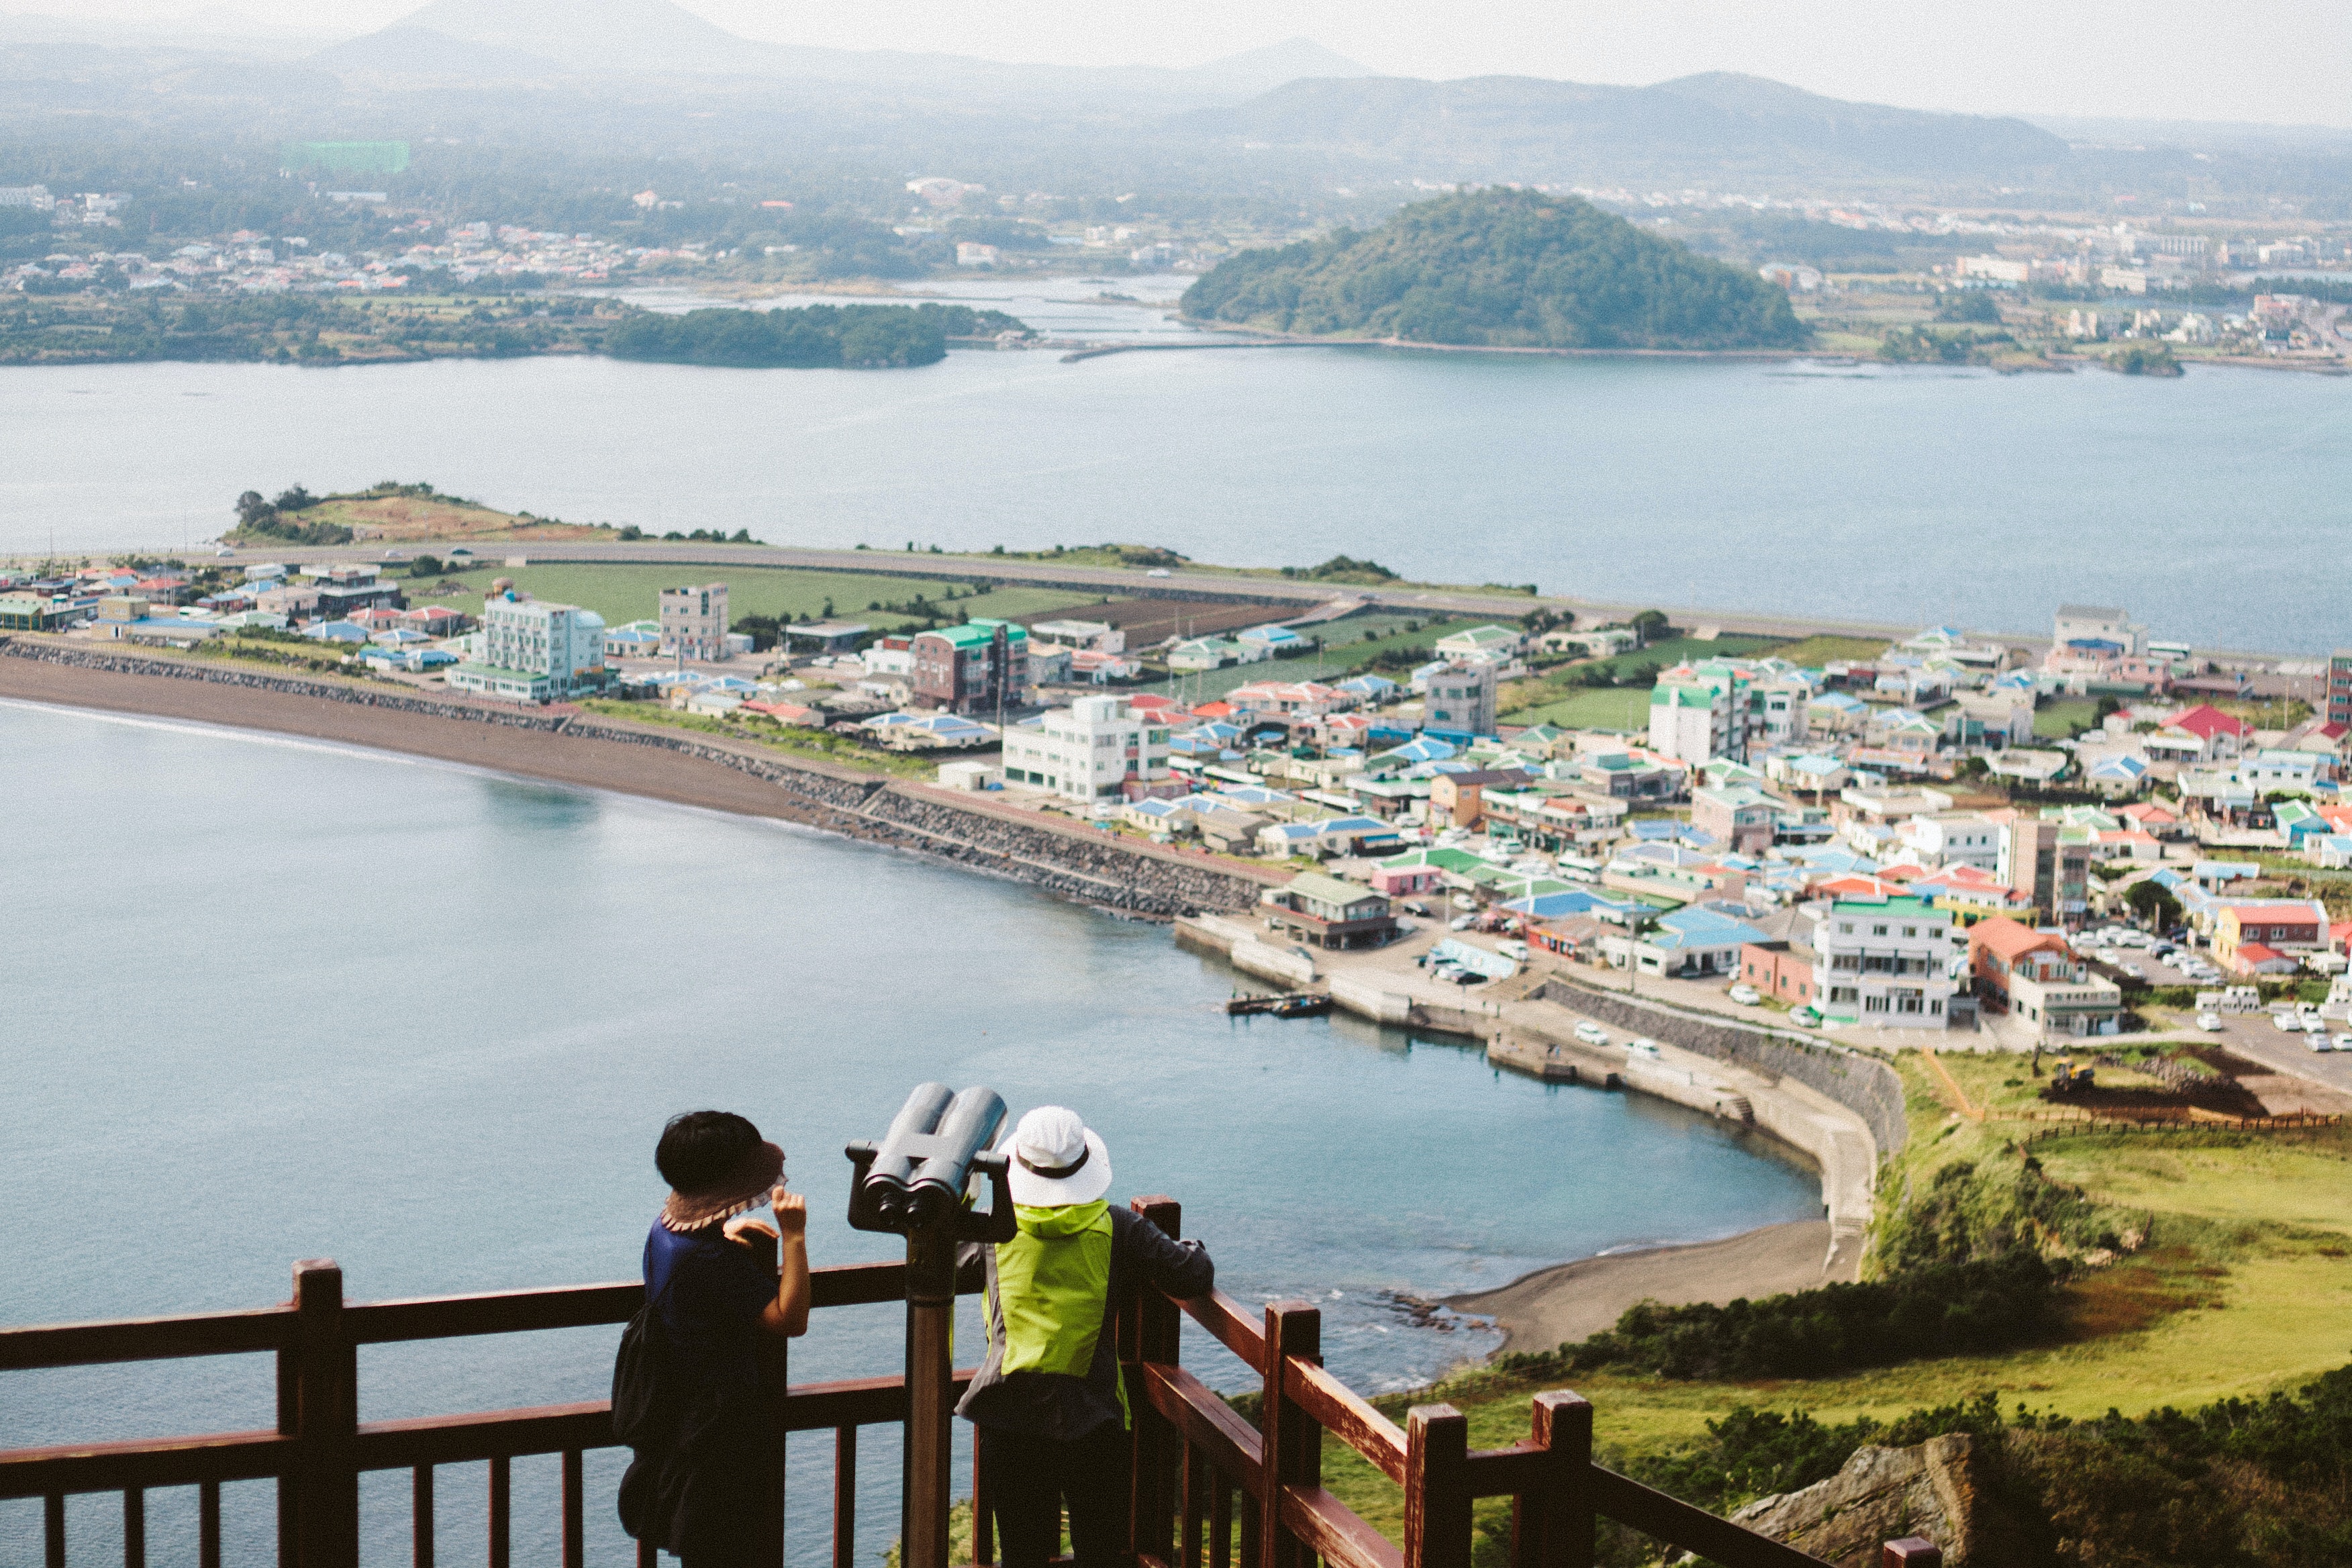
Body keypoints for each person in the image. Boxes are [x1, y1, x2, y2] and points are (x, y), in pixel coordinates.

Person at [957, 1106, 1213, 1568]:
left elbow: (942, 1247)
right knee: (1100, 1552)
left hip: (1010, 1413)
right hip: (1093, 1416)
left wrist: (963, 1189)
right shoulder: (1116, 1226)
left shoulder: (994, 1231)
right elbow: (1191, 1274)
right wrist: (1192, 1247)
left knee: (1022, 1554)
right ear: (1084, 1166)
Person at [620, 1110, 810, 1567]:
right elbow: (789, 1318)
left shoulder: (665, 1232)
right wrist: (794, 1237)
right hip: (722, 1429)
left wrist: (729, 1232)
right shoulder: (710, 1260)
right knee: (730, 1550)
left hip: (686, 1414)